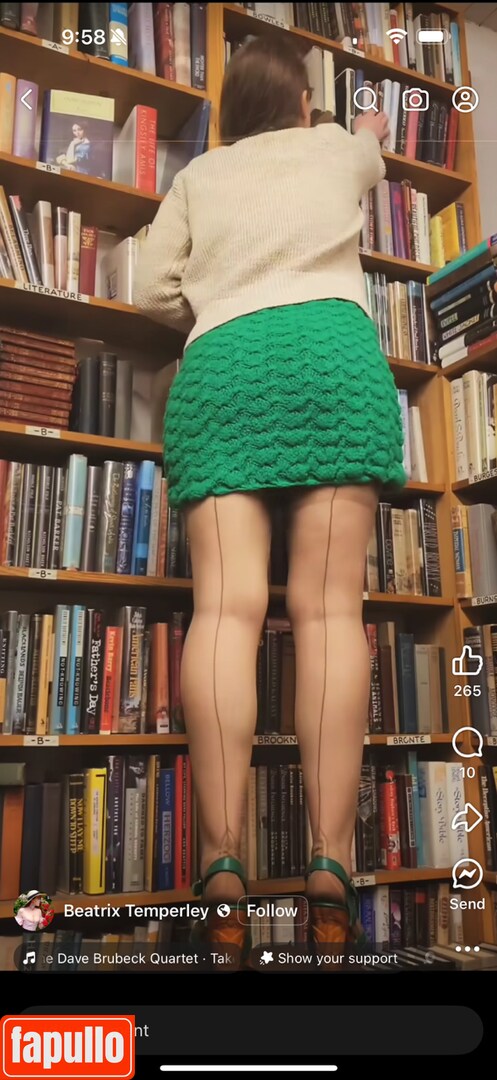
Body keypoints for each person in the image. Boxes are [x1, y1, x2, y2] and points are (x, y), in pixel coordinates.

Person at [134, 35, 406, 956]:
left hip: (225, 366)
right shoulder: (331, 145)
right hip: (331, 357)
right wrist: (357, 125)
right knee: (328, 612)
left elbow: (150, 291)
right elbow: (373, 143)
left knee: (226, 609)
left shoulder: (199, 175)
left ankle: (222, 867)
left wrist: (216, 305)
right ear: (298, 104)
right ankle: (330, 863)